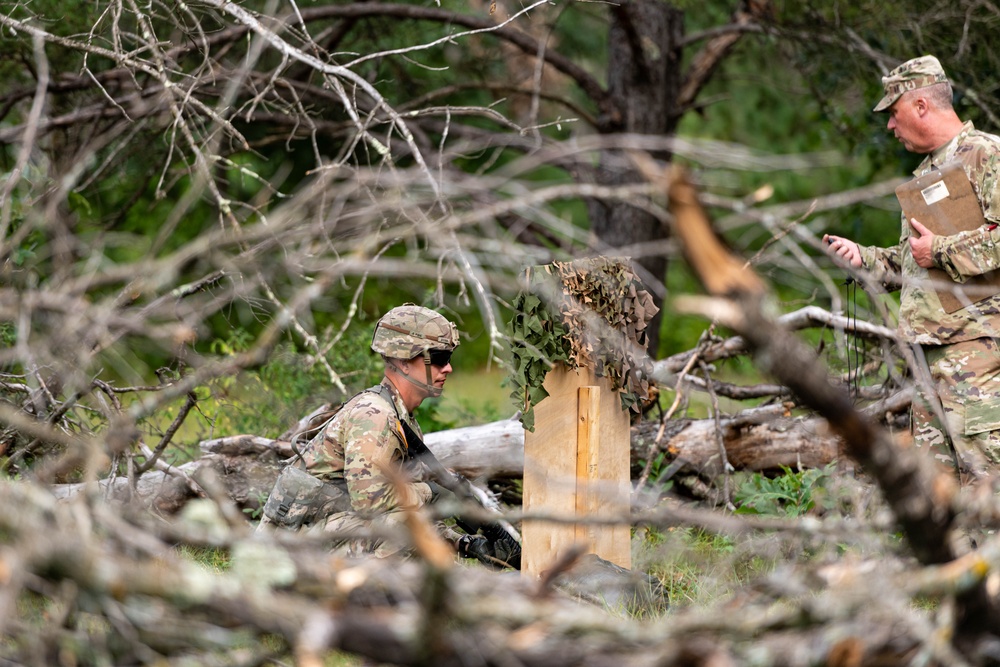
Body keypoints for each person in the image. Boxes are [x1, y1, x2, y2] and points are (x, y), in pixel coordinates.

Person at [824, 55, 1000, 480]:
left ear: (921, 105)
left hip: (978, 358)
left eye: (894, 112)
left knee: (989, 487)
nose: (889, 125)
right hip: (929, 360)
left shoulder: (987, 154)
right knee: (942, 500)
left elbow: (938, 252)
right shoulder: (928, 171)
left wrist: (939, 249)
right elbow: (917, 262)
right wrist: (863, 257)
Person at [260, 303, 520, 567]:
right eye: (439, 358)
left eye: (449, 359)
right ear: (404, 362)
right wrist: (431, 492)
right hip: (289, 551)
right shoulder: (375, 416)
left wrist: (464, 544)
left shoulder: (401, 420)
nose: (448, 368)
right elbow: (370, 502)